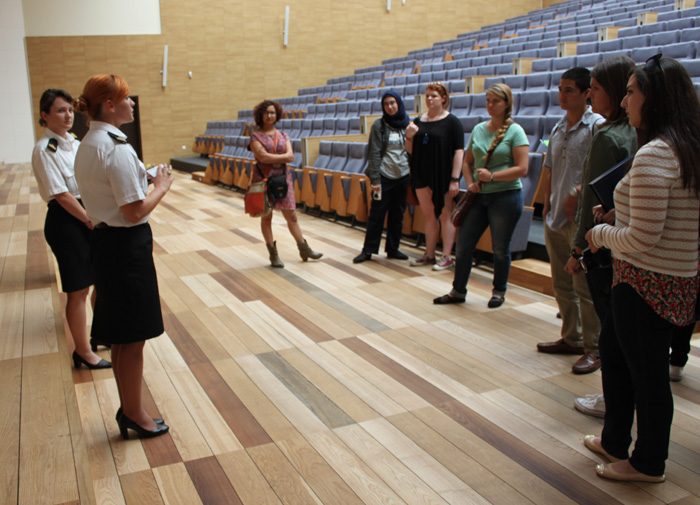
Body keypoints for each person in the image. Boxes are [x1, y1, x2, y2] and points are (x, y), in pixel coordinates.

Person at [583, 55, 700, 483]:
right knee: (617, 358)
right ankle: (615, 439)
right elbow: (661, 222)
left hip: (644, 282)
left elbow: (642, 239)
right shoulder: (684, 147)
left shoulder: (654, 155)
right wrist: (618, 216)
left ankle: (648, 462)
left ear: (654, 99)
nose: (626, 99)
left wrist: (598, 234)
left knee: (647, 379)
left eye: (632, 91)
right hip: (669, 279)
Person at [74, 74, 172, 439]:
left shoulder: (90, 142)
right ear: (110, 105)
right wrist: (160, 186)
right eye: (127, 99)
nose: (132, 104)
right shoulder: (115, 146)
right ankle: (133, 412)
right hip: (125, 247)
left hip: (106, 243)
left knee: (122, 337)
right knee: (131, 340)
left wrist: (142, 177)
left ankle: (130, 407)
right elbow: (132, 211)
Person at [561, 56, 637, 414]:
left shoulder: (607, 136)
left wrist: (578, 249)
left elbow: (593, 196)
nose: (590, 95)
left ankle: (614, 400)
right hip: (626, 237)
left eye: (596, 88)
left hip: (603, 241)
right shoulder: (635, 129)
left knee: (612, 332)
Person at [31, 88, 111, 371]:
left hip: (88, 214)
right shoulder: (45, 150)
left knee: (100, 280)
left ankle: (101, 334)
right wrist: (89, 219)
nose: (67, 116)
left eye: (69, 110)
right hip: (67, 222)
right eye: (60, 111)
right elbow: (62, 195)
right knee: (78, 290)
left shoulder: (74, 143)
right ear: (44, 116)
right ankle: (83, 352)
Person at [433, 83, 529, 308]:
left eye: (495, 101)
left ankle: (498, 291)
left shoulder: (516, 131)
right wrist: (472, 181)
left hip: (506, 196)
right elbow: (467, 161)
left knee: (499, 248)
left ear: (506, 104)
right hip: (479, 196)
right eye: (488, 100)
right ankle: (458, 290)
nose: (490, 105)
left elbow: (523, 168)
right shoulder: (478, 129)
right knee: (464, 244)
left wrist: (492, 177)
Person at [535, 68, 604, 374]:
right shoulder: (558, 127)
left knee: (584, 285)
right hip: (556, 217)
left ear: (587, 93)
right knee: (561, 283)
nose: (562, 95)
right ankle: (571, 337)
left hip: (581, 219)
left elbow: (599, 174)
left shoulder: (596, 127)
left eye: (569, 90)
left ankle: (594, 348)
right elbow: (549, 170)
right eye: (560, 89)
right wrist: (548, 207)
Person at [249, 100, 322, 268]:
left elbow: (291, 156)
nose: (270, 115)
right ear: (261, 115)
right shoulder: (255, 136)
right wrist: (282, 157)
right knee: (267, 217)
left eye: (273, 112)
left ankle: (304, 248)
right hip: (264, 180)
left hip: (283, 178)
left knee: (292, 216)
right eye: (266, 112)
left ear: (277, 115)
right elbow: (263, 157)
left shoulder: (283, 135)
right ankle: (273, 254)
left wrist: (275, 158)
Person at [405, 82, 464, 270]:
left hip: (444, 174)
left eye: (434, 96)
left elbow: (459, 152)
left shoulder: (452, 122)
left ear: (444, 98)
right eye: (427, 96)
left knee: (446, 214)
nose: (429, 99)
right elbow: (411, 151)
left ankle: (446, 256)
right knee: (429, 215)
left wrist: (455, 179)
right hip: (422, 174)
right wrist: (408, 137)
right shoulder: (417, 122)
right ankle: (429, 254)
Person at [353, 91, 410, 263]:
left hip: (404, 175)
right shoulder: (379, 125)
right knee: (376, 214)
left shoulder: (409, 125)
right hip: (384, 176)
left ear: (398, 103)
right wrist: (375, 180)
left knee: (397, 214)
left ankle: (393, 249)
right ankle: (368, 250)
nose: (390, 106)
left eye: (393, 103)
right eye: (386, 104)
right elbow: (374, 154)